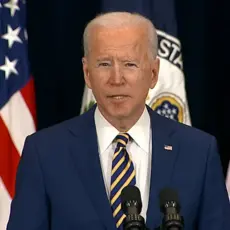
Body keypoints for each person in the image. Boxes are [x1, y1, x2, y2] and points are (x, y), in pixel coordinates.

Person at [7, 11, 230, 230]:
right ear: (87, 73)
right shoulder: (45, 152)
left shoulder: (198, 152)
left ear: (153, 73)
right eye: (104, 64)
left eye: (130, 64)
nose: (116, 79)